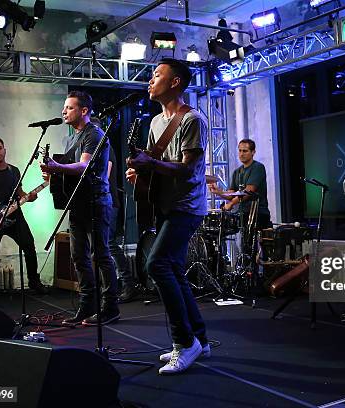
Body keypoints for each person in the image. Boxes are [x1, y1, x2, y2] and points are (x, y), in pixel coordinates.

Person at [126, 58, 209, 374]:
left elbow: (188, 171)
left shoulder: (192, 120)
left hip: (186, 206)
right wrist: (140, 174)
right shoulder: (154, 123)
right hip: (164, 204)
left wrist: (150, 166)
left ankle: (184, 344)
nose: (150, 80)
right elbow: (152, 165)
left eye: (157, 75)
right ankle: (200, 339)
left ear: (175, 82)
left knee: (157, 264)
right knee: (172, 267)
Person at [40, 91, 119, 326]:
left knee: (101, 255)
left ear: (84, 111)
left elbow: (83, 166)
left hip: (96, 202)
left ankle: (110, 307)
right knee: (78, 256)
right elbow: (69, 171)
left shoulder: (94, 134)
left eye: (69, 107)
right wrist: (52, 171)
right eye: (64, 107)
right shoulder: (70, 138)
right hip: (77, 202)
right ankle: (87, 305)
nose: (64, 111)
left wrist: (57, 167)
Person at [0, 137, 48, 296]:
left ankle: (34, 281)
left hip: (15, 217)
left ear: (5, 150)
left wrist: (29, 197)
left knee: (29, 246)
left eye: (0, 148)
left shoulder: (14, 171)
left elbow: (19, 193)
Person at [209, 139, 272, 230]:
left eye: (245, 151)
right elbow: (232, 193)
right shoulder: (237, 171)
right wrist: (218, 192)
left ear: (253, 152)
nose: (241, 154)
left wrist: (231, 204)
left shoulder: (258, 167)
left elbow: (247, 192)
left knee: (254, 243)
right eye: (240, 151)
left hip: (258, 213)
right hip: (243, 213)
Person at [108, 145, 138, 303]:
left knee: (109, 243)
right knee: (100, 248)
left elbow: (105, 175)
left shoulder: (103, 146)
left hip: (109, 202)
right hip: (101, 203)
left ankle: (128, 284)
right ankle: (110, 286)